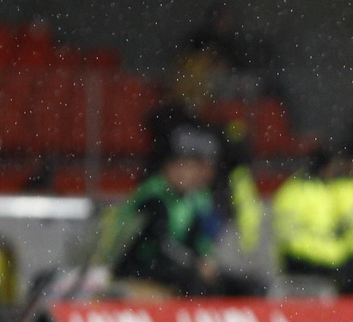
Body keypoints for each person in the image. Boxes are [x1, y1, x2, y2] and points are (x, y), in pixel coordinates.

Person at [110, 127, 266, 297]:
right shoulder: (154, 196)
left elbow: (199, 239)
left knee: (246, 285)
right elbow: (159, 243)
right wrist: (193, 263)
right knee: (193, 279)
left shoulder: (194, 198)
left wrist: (207, 259)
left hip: (175, 263)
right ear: (170, 167)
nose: (192, 175)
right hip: (141, 265)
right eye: (186, 167)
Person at [271, 144, 353, 295]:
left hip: (324, 258)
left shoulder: (320, 189)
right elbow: (292, 239)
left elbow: (348, 225)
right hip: (306, 262)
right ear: (326, 167)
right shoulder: (299, 192)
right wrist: (336, 253)